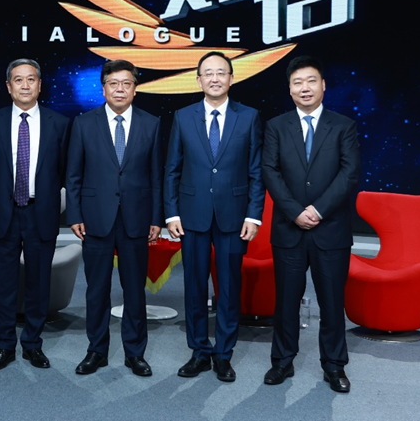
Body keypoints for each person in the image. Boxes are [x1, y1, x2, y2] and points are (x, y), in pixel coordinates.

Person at [261, 55, 360, 393]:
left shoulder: (343, 125)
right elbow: (270, 172)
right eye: (297, 83)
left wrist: (317, 211)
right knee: (286, 301)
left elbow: (349, 174)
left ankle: (334, 365)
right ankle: (282, 361)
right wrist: (294, 212)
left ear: (323, 85)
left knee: (332, 302)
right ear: (290, 89)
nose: (305, 88)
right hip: (289, 229)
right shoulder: (276, 126)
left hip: (330, 230)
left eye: (311, 81)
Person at [164, 51, 264, 382]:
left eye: (221, 72)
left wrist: (253, 215)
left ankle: (223, 354)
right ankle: (199, 351)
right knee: (194, 286)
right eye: (208, 73)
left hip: (233, 216)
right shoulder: (183, 116)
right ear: (199, 80)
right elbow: (172, 168)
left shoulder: (248, 117)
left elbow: (255, 171)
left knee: (229, 287)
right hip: (191, 215)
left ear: (232, 78)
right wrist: (171, 212)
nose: (215, 78)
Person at [66, 59, 162, 377]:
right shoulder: (83, 123)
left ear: (135, 89)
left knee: (134, 290)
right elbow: (74, 174)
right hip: (95, 218)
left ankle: (135, 353)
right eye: (113, 83)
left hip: (137, 218)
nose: (120, 89)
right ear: (104, 88)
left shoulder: (151, 124)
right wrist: (74, 213)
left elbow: (156, 176)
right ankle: (97, 351)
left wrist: (157, 218)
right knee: (97, 290)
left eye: (126, 83)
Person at [0, 59, 70, 371]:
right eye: (18, 80)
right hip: (4, 213)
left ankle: (32, 343)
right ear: (9, 86)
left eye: (31, 79)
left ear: (40, 85)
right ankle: (4, 345)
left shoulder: (60, 123)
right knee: (2, 284)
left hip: (41, 213)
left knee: (39, 283)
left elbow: (63, 171)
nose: (25, 85)